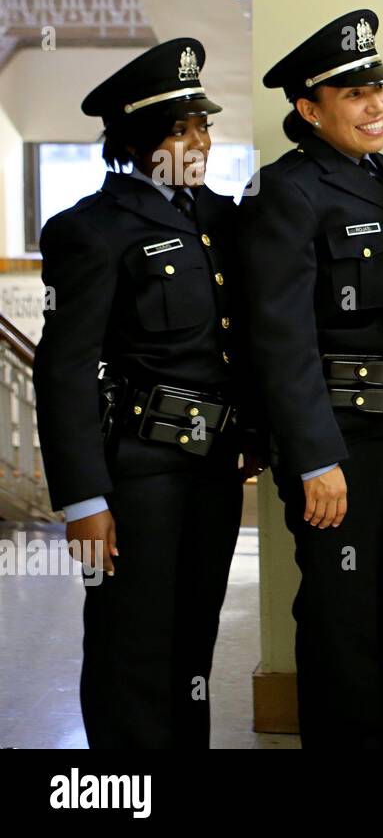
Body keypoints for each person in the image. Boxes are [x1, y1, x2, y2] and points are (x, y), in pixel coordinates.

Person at [240, 9, 383, 748]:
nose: (377, 103)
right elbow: (281, 339)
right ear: (309, 109)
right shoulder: (287, 191)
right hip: (338, 441)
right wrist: (313, 456)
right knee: (342, 613)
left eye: (379, 86)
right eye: (354, 93)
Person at [34, 38, 262, 747]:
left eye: (203, 124)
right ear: (140, 140)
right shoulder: (92, 231)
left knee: (193, 642)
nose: (200, 139)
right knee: (130, 647)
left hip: (213, 470)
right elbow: (63, 368)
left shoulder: (218, 219)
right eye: (182, 127)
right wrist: (83, 500)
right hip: (138, 473)